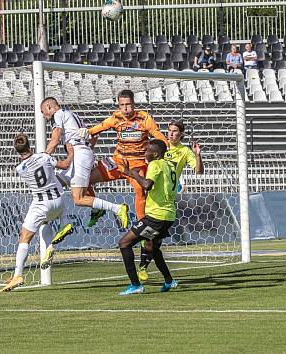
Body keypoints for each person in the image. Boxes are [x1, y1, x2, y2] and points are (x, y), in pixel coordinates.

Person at [40, 97, 129, 235]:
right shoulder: (71, 115)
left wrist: (43, 157)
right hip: (80, 154)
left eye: (43, 112)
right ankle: (65, 223)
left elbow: (55, 139)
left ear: (49, 106)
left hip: (80, 154)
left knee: (78, 198)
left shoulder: (58, 115)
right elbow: (93, 136)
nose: (44, 117)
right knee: (54, 184)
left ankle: (117, 208)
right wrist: (86, 149)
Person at [80, 89, 168, 227]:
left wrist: (166, 147)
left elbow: (157, 134)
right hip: (118, 161)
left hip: (137, 163)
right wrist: (88, 131)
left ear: (133, 103)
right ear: (118, 105)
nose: (125, 108)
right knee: (86, 180)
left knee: (140, 191)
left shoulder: (144, 118)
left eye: (128, 104)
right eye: (122, 105)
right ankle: (97, 210)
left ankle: (142, 229)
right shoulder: (116, 118)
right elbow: (100, 127)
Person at [0, 134, 73, 292]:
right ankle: (54, 240)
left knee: (25, 237)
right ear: (30, 147)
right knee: (45, 222)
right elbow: (65, 165)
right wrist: (72, 152)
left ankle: (18, 275)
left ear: (16, 151)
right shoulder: (45, 157)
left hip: (41, 204)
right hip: (59, 201)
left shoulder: (19, 169)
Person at [136, 120, 203, 281]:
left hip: (166, 199)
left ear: (181, 134)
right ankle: (148, 270)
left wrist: (197, 155)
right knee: (148, 236)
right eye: (169, 130)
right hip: (152, 195)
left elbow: (199, 171)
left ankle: (145, 268)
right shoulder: (160, 147)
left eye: (175, 131)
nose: (171, 134)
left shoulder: (184, 152)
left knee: (153, 238)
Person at [116, 139, 179, 295]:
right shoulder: (170, 165)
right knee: (153, 247)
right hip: (168, 215)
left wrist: (135, 175)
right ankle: (169, 281)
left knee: (124, 243)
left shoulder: (155, 164)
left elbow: (146, 185)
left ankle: (135, 285)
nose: (145, 153)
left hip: (156, 216)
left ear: (155, 153)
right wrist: (130, 172)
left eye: (147, 151)